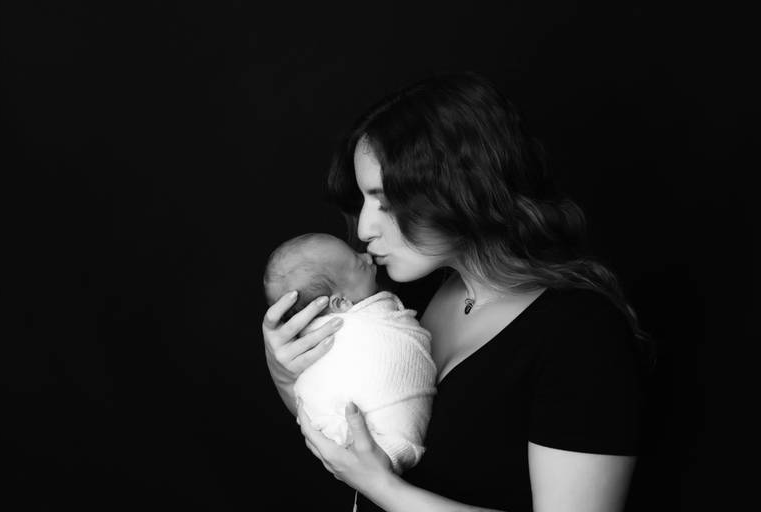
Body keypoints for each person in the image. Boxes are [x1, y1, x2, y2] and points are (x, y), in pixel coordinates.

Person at [261, 72, 651, 512]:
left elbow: (372, 477)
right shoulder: (407, 300)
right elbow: (351, 442)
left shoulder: (581, 332)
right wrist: (288, 374)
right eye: (364, 202)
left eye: (385, 201)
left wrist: (383, 489)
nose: (365, 229)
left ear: (458, 190)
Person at [263, 233, 436, 473]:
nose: (367, 256)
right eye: (358, 262)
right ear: (340, 303)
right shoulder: (325, 340)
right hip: (377, 447)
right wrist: (283, 377)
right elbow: (322, 391)